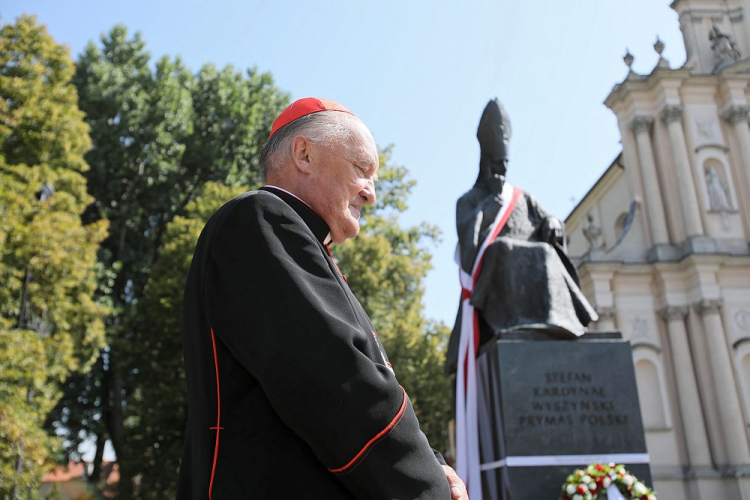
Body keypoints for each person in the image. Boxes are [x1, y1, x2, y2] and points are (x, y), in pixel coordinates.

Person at [177, 97, 467, 499]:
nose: (372, 195)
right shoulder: (261, 218)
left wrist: (434, 462)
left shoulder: (289, 237)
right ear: (304, 154)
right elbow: (339, 382)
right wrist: (427, 487)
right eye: (362, 170)